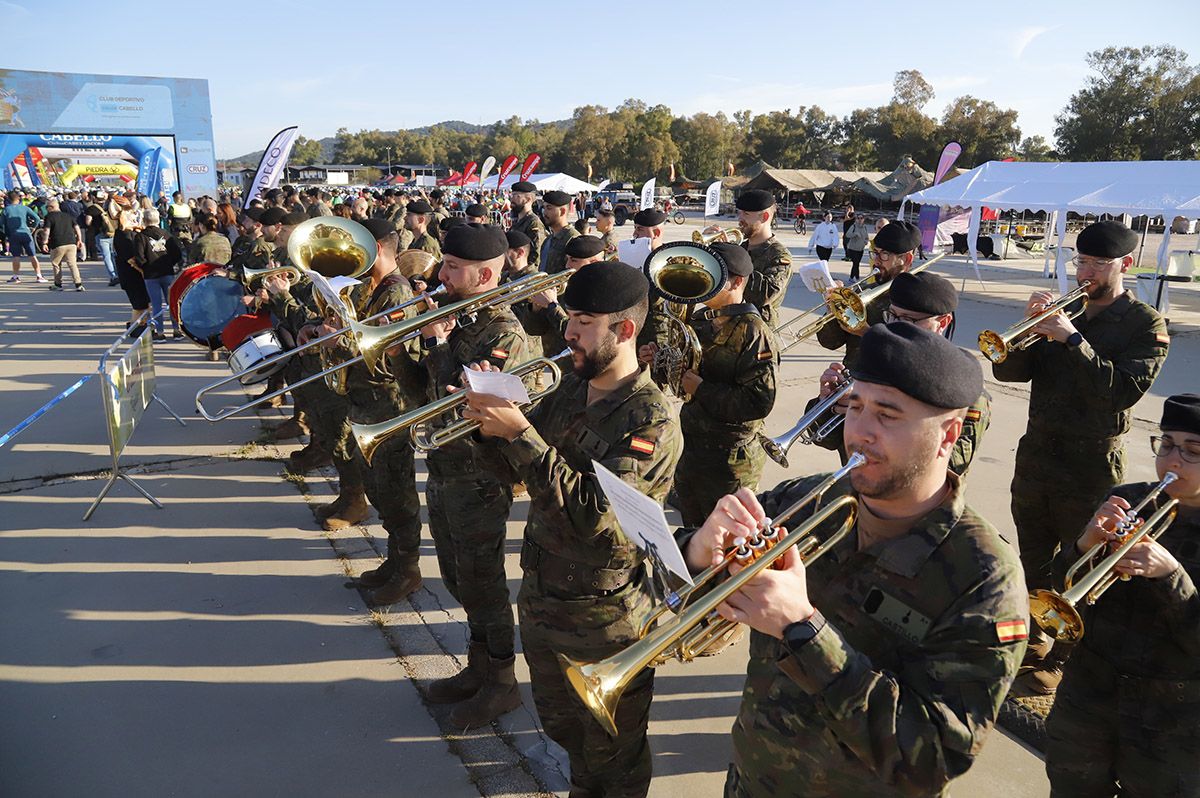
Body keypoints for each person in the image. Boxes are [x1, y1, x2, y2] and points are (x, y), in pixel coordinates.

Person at [679, 322, 1028, 797]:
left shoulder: (985, 578)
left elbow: (933, 758)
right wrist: (697, 551)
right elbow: (683, 603)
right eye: (855, 406)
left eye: (887, 415)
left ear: (949, 433)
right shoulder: (809, 499)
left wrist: (802, 630)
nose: (860, 432)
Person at [465, 262, 682, 797]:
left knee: (613, 757)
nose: (567, 333)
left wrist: (520, 434)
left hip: (604, 618)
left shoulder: (650, 420)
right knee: (565, 731)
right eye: (568, 319)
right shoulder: (568, 390)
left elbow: (598, 523)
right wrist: (490, 428)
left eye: (583, 322)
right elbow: (521, 479)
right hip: (544, 598)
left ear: (624, 330)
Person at [995, 219, 1170, 695]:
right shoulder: (1064, 311)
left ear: (1125, 265)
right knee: (1033, 558)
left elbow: (1121, 393)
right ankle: (1032, 644)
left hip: (1091, 464)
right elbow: (1012, 372)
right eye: (1081, 262)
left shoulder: (1145, 325)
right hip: (1037, 458)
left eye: (1096, 263)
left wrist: (1073, 340)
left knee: (1085, 565)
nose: (1085, 272)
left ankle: (1067, 658)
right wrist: (1024, 332)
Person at [1043, 393, 1200, 797]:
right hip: (1089, 696)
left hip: (1171, 720)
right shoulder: (1129, 499)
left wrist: (1171, 575)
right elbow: (1065, 587)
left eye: (1192, 451)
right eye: (1165, 444)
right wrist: (1085, 544)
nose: (1172, 461)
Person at [414, 223, 531, 728]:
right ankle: (478, 665)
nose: (441, 273)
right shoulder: (455, 315)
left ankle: (501, 681)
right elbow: (423, 393)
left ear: (485, 274)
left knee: (482, 581)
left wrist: (437, 348)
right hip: (445, 467)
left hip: (479, 474)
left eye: (452, 267)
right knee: (457, 575)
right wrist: (412, 348)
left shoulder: (504, 331)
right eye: (444, 263)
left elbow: (473, 407)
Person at [303, 218, 427, 603]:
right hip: (364, 402)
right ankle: (394, 562)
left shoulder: (396, 294)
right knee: (379, 489)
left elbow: (390, 363)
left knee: (397, 492)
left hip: (386, 404)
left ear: (376, 246)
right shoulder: (371, 289)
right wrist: (320, 329)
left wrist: (338, 344)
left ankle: (407, 569)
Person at [810, 271, 991, 476]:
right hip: (859, 487)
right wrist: (832, 407)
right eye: (892, 315)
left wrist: (888, 420)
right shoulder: (875, 361)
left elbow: (952, 464)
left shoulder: (962, 384)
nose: (895, 326)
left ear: (943, 322)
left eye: (908, 319)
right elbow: (824, 439)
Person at [671, 242, 778, 526]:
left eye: (713, 275)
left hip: (731, 463)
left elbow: (759, 401)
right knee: (694, 537)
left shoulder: (753, 331)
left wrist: (701, 389)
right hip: (694, 450)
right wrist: (660, 360)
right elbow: (682, 375)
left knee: (728, 543)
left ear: (737, 282)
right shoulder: (702, 321)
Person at [817, 220, 921, 370]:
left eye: (884, 254)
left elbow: (909, 354)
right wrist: (832, 309)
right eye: (875, 253)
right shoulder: (863, 290)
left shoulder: (919, 300)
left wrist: (865, 332)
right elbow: (829, 342)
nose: (876, 261)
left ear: (906, 259)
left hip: (889, 385)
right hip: (853, 379)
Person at [735, 189, 794, 324]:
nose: (740, 219)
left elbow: (765, 295)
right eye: (739, 213)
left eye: (746, 214)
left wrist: (731, 258)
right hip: (727, 326)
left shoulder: (780, 255)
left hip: (758, 331)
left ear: (765, 216)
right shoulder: (739, 248)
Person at [134, 210, 184, 339]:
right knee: (172, 302)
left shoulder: (141, 236)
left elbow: (139, 257)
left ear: (144, 220)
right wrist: (170, 263)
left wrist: (145, 266)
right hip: (167, 272)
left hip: (150, 274)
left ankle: (160, 332)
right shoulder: (166, 234)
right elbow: (177, 253)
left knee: (156, 305)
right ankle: (177, 329)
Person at [42, 198, 84, 291]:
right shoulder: (68, 216)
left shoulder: (49, 216)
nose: (46, 209)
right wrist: (79, 240)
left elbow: (46, 230)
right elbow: (77, 227)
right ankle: (78, 284)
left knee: (56, 264)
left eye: (47, 207)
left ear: (51, 207)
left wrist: (44, 242)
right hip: (71, 242)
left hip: (58, 243)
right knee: (73, 264)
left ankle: (58, 284)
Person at [3, 191, 45, 283]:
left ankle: (15, 276)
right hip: (25, 232)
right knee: (32, 255)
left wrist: (6, 234)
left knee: (16, 256)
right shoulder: (24, 208)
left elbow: (2, 224)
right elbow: (37, 218)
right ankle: (39, 275)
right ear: (19, 198)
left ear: (9, 199)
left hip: (13, 234)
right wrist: (33, 227)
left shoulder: (6, 210)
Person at [539, 190, 580, 275]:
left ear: (562, 211)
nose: (544, 212)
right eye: (544, 208)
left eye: (549, 208)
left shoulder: (573, 239)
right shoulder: (548, 239)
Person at [509, 181, 546, 268]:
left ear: (528, 199)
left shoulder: (534, 223)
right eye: (512, 195)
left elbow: (537, 255)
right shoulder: (517, 221)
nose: (512, 199)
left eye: (516, 196)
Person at [843, 212, 871, 281]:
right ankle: (857, 279)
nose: (860, 220)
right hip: (852, 249)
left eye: (861, 218)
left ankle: (851, 278)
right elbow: (847, 235)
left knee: (856, 264)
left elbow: (866, 237)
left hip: (860, 249)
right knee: (856, 264)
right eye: (858, 218)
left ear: (863, 219)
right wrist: (855, 234)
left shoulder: (864, 227)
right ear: (856, 219)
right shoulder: (854, 226)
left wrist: (866, 241)